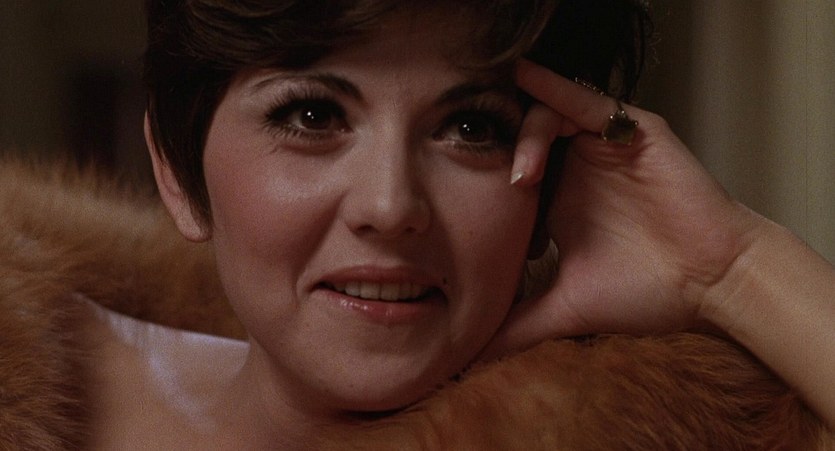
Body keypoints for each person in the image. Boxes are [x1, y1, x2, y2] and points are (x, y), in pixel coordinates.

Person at [0, 0, 833, 448]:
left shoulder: (660, 431)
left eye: (470, 127)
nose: (390, 206)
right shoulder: (28, 374)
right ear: (178, 172)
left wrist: (731, 266)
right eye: (313, 114)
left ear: (548, 187)